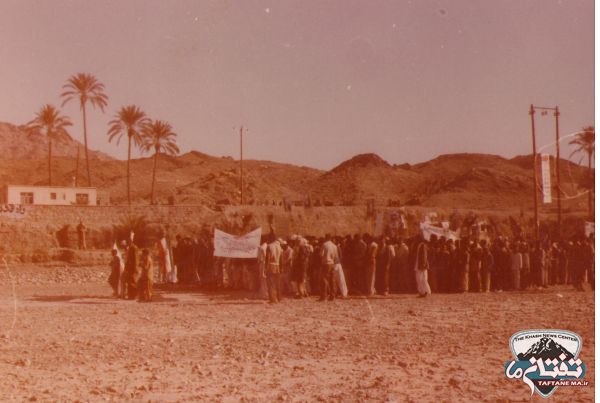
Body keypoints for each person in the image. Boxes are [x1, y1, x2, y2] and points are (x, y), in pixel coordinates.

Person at [320, 234, 339, 301]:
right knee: (332, 280)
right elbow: (336, 256)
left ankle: (324, 296)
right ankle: (332, 295)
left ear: (326, 238)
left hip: (325, 263)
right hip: (332, 263)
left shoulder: (324, 245)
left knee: (324, 279)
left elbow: (321, 254)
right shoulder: (334, 246)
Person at [265, 236, 283, 303]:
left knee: (271, 283)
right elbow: (281, 259)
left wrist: (266, 268)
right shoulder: (279, 247)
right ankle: (279, 297)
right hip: (277, 265)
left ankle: (272, 299)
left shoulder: (269, 246)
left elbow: (268, 258)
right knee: (277, 283)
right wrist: (281, 268)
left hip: (271, 266)